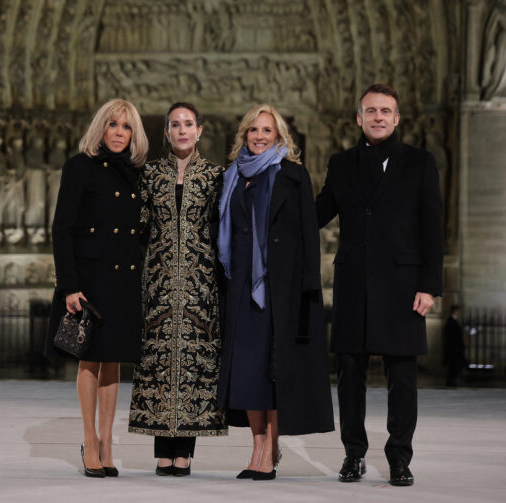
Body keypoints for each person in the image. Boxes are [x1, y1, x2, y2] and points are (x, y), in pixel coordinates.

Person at [316, 84, 444, 486]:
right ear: (359, 118)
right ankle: (353, 454)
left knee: (402, 379)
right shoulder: (341, 163)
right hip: (354, 282)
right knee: (350, 375)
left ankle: (399, 458)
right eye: (370, 111)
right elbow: (318, 212)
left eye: (385, 111)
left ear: (397, 118)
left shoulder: (420, 163)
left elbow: (433, 229)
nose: (378, 117)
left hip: (403, 285)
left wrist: (430, 286)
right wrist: (282, 188)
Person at [217, 105, 334, 480]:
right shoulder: (231, 176)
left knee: (274, 372)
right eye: (254, 129)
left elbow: (307, 236)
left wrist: (308, 289)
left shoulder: (293, 176)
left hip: (276, 290)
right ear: (244, 135)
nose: (260, 135)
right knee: (248, 374)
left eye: (267, 130)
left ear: (279, 136)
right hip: (239, 289)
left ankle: (271, 449)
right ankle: (257, 447)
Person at [48, 98, 148, 478]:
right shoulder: (79, 167)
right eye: (113, 125)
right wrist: (70, 286)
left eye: (126, 126)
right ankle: (90, 440)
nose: (119, 132)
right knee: (90, 359)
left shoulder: (138, 174)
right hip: (90, 280)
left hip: (125, 279)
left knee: (114, 361)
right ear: (100, 129)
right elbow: (63, 229)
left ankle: (107, 442)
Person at [128, 102, 226, 476]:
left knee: (194, 366)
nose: (182, 130)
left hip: (202, 286)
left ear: (200, 130)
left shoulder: (217, 176)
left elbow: (227, 232)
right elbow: (136, 231)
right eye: (175, 125)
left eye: (188, 124)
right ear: (166, 132)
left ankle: (184, 451)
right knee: (159, 363)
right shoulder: (150, 176)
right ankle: (162, 449)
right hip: (160, 284)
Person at [444, 305, 466, 387]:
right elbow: (452, 336)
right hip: (453, 348)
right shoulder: (451, 321)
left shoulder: (453, 321)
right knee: (452, 366)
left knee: (454, 366)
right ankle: (451, 382)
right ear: (455, 311)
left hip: (455, 348)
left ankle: (452, 381)